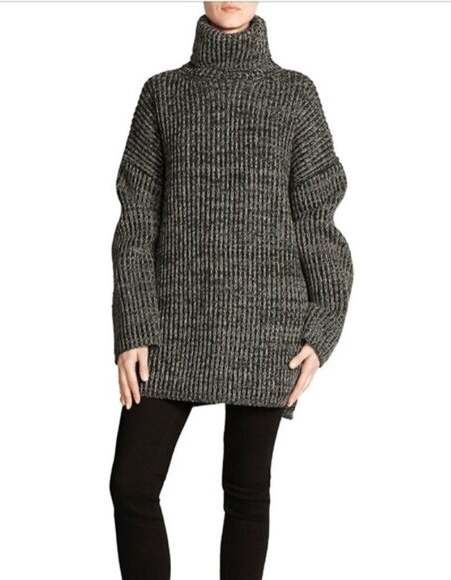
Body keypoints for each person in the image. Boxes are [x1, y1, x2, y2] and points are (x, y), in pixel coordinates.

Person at [109, 2, 354, 578]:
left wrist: (322, 329)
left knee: (246, 495)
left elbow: (317, 219)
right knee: (132, 486)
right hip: (171, 328)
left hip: (269, 329)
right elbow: (136, 220)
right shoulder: (162, 94)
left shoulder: (294, 94)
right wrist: (134, 325)